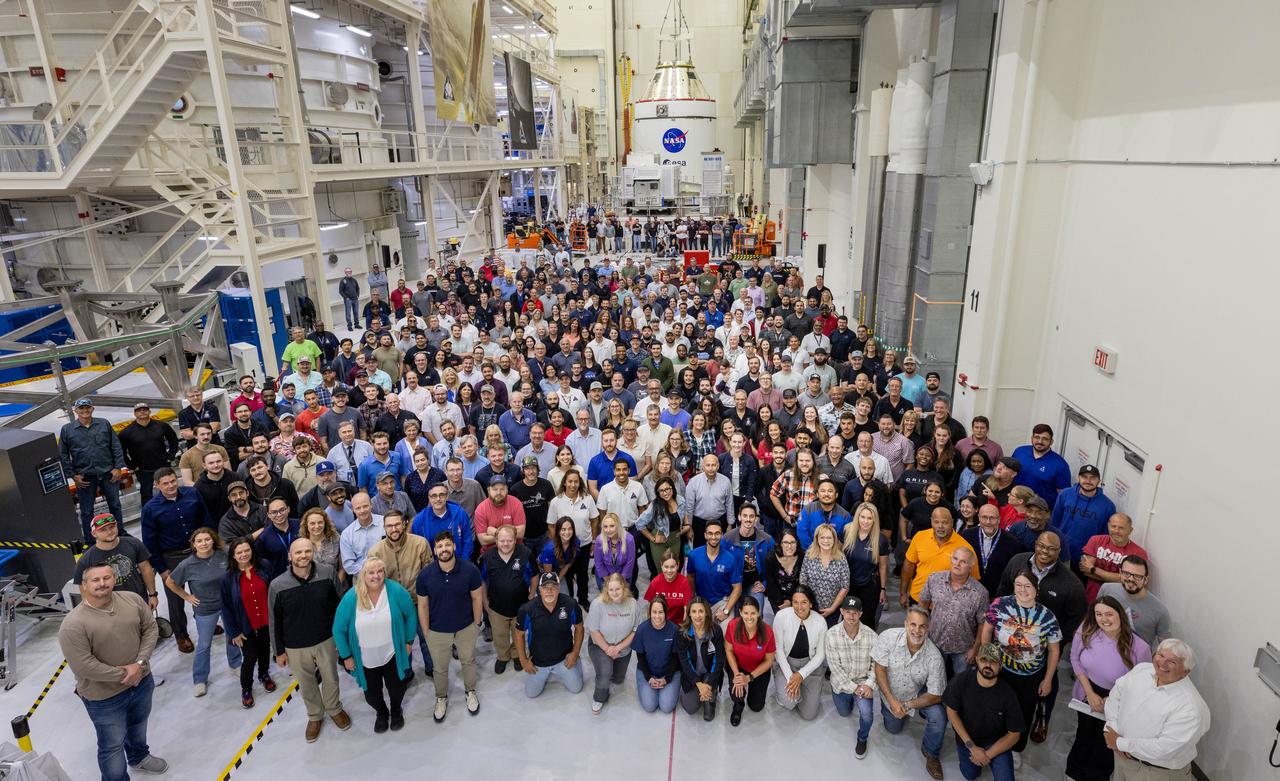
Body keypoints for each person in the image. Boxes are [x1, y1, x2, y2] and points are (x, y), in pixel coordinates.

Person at [58, 562, 167, 780]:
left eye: (106, 578)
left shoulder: (132, 599)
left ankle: (138, 757)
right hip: (104, 696)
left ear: (114, 579)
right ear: (84, 585)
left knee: (138, 724)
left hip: (142, 681)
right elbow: (83, 664)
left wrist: (140, 664)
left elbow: (150, 628)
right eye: (95, 580)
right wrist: (126, 675)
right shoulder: (74, 623)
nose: (102, 583)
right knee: (112, 744)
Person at [268, 538, 350, 742]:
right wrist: (278, 651)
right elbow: (273, 620)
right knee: (306, 683)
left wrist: (344, 638)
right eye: (298, 553)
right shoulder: (277, 585)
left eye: (307, 551)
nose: (303, 556)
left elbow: (340, 605)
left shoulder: (327, 573)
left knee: (331, 678)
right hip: (295, 646)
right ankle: (315, 715)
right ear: (290, 556)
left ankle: (334, 708)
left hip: (326, 639)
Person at [1067, 596, 1153, 781]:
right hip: (1087, 692)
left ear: (1120, 615)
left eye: (1109, 614)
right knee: (1084, 734)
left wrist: (1111, 700)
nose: (1103, 619)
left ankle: (1097, 776)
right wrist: (1090, 693)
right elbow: (1075, 659)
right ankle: (1074, 773)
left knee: (1105, 742)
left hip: (1118, 700)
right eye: (1098, 614)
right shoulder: (1086, 630)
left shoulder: (1140, 647)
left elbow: (1143, 684)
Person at [981, 568, 1062, 765]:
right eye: (1018, 585)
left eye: (1027, 586)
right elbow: (987, 631)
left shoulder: (1047, 616)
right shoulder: (1000, 604)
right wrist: (986, 660)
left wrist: (1048, 678)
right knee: (996, 707)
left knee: (1023, 713)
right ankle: (994, 742)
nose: (1022, 590)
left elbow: (1053, 651)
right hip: (1002, 670)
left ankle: (1016, 748)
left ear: (1037, 589)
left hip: (1030, 676)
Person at [332, 557, 418, 733]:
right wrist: (346, 655)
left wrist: (409, 641)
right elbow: (338, 629)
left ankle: (396, 710)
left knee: (397, 688)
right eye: (371, 572)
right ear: (364, 575)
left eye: (380, 571)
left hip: (392, 653)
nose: (376, 576)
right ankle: (381, 712)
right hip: (364, 658)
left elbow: (410, 614)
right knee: (371, 694)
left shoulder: (395, 590)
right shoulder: (352, 597)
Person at [1103, 639, 1211, 779]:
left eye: (1172, 662)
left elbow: (1165, 748)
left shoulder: (1191, 708)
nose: (1162, 663)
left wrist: (1120, 743)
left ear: (1186, 672)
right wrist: (1112, 729)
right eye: (1160, 655)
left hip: (1156, 772)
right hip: (1123, 757)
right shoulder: (1142, 670)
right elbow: (1115, 696)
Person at [872, 607, 949, 780]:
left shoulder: (934, 656)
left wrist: (908, 705)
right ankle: (895, 712)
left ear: (928, 629)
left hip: (916, 692)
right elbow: (879, 668)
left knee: (939, 716)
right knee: (893, 729)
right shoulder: (888, 637)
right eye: (913, 624)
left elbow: (936, 694)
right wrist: (892, 701)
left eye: (922, 626)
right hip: (891, 693)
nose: (917, 630)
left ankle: (931, 753)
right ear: (906, 624)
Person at [141, 468, 210, 653]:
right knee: (175, 599)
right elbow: (149, 542)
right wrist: (162, 569)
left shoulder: (192, 494)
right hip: (171, 557)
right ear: (157, 485)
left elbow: (205, 521)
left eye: (173, 481)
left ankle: (206, 624)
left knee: (202, 591)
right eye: (165, 483)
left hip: (197, 553)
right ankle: (181, 636)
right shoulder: (150, 508)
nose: (171, 486)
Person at [415, 532, 484, 721]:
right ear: (435, 551)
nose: (444, 549)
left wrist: (477, 623)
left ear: (454, 546)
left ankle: (470, 691)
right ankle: (441, 697)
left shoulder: (470, 570)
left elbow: (477, 597)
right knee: (439, 668)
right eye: (440, 546)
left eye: (447, 545)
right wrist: (426, 631)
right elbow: (422, 605)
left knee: (468, 661)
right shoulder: (425, 575)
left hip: (465, 627)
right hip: (437, 631)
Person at [164, 528, 239, 698]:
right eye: (199, 541)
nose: (203, 543)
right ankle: (200, 679)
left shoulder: (224, 554)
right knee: (204, 645)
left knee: (232, 637)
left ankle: (235, 665)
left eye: (207, 539)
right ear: (194, 544)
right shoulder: (187, 564)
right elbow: (170, 582)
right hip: (205, 609)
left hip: (227, 606)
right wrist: (186, 596)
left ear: (213, 540)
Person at [943, 643, 1024, 781]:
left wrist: (987, 755)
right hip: (968, 739)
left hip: (996, 741)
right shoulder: (960, 682)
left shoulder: (1008, 694)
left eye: (993, 662)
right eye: (983, 660)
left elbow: (1014, 735)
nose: (988, 665)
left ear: (1001, 666)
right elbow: (951, 712)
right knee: (970, 774)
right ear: (976, 660)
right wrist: (972, 747)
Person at [368, 510, 433, 675]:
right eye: (389, 526)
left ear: (404, 524)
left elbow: (430, 574)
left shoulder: (420, 544)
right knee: (402, 642)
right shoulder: (375, 552)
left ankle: (432, 668)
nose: (394, 529)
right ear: (384, 528)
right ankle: (406, 672)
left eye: (397, 524)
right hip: (394, 606)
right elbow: (373, 582)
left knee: (426, 638)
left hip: (420, 602)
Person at [60, 397, 126, 542]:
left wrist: (118, 467)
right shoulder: (67, 430)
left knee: (115, 505)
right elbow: (63, 455)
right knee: (86, 511)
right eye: (81, 408)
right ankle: (90, 541)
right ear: (75, 410)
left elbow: (116, 446)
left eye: (87, 407)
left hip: (108, 473)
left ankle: (120, 532)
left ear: (92, 409)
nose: (85, 410)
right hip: (85, 477)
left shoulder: (104, 424)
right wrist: (72, 475)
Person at [221, 537, 276, 709]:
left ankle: (264, 674)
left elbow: (274, 590)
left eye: (247, 550)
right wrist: (234, 632)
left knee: (265, 649)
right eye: (239, 552)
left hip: (266, 621)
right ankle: (246, 687)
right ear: (233, 555)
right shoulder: (228, 578)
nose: (244, 554)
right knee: (250, 656)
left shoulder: (264, 566)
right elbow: (226, 607)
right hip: (245, 626)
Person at [918, 547, 989, 676]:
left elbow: (982, 624)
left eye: (963, 561)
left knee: (961, 683)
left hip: (963, 647)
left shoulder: (980, 593)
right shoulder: (934, 579)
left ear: (970, 567)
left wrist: (976, 648)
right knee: (931, 678)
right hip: (935, 641)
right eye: (955, 559)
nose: (957, 564)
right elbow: (922, 604)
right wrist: (921, 632)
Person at [515, 571, 586, 698]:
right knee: (531, 694)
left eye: (553, 587)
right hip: (539, 662)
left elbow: (579, 628)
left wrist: (575, 653)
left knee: (576, 688)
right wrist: (523, 660)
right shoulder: (526, 609)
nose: (549, 591)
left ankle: (576, 663)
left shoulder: (570, 604)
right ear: (539, 589)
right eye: (545, 587)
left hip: (563, 659)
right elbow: (519, 634)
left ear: (559, 588)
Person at [826, 595, 879, 758]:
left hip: (863, 684)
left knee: (867, 715)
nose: (851, 616)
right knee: (844, 712)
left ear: (861, 614)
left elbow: (876, 665)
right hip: (842, 684)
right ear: (841, 611)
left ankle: (862, 738)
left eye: (855, 612)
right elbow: (835, 668)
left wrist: (869, 685)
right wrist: (855, 689)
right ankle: (850, 700)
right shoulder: (831, 635)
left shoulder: (872, 636)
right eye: (848, 612)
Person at [586, 573, 644, 713]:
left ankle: (604, 670)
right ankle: (599, 697)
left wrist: (618, 647)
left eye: (617, 589)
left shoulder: (633, 604)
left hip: (623, 648)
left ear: (624, 587)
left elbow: (635, 630)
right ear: (606, 589)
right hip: (600, 645)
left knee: (618, 680)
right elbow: (594, 631)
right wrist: (608, 650)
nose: (614, 593)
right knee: (605, 673)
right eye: (611, 590)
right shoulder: (597, 604)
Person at [480, 525, 534, 675]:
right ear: (496, 541)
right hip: (496, 608)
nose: (505, 544)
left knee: (519, 634)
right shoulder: (487, 557)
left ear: (515, 541)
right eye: (502, 540)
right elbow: (483, 581)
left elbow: (534, 575)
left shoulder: (525, 553)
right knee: (499, 636)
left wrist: (532, 594)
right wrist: (485, 602)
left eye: (509, 540)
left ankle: (517, 654)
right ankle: (503, 657)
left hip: (520, 606)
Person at [74, 513, 158, 608]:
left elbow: (146, 569)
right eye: (103, 530)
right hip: (110, 610)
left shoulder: (134, 544)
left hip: (139, 603)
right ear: (94, 534)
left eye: (112, 527)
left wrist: (152, 595)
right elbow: (84, 589)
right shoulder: (86, 560)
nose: (109, 531)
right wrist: (93, 610)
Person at [900, 506, 977, 607]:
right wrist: (903, 593)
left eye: (945, 522)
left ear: (952, 522)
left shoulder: (965, 548)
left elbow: (973, 581)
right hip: (918, 598)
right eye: (936, 522)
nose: (940, 526)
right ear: (931, 521)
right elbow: (908, 565)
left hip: (948, 605)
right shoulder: (920, 537)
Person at [771, 584, 828, 720]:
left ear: (811, 604)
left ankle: (804, 691)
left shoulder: (820, 621)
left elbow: (820, 655)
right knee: (790, 702)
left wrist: (801, 675)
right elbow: (778, 650)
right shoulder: (781, 616)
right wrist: (792, 678)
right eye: (795, 602)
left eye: (804, 602)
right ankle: (786, 692)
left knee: (809, 715)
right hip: (786, 663)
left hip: (810, 667)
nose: (799, 607)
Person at [722, 595, 776, 726]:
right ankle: (738, 705)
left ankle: (752, 690)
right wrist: (737, 674)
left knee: (756, 706)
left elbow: (769, 661)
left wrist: (749, 678)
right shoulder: (733, 625)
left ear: (758, 613)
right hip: (738, 666)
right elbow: (728, 650)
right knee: (737, 693)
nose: (749, 617)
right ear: (740, 612)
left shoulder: (767, 632)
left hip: (758, 670)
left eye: (753, 613)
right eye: (746, 613)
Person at [1052, 464, 1117, 568]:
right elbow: (1054, 523)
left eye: (1092, 478)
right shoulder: (1065, 494)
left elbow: (1105, 538)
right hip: (1060, 551)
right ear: (1079, 478)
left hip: (1086, 559)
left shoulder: (1108, 506)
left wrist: (1094, 559)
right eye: (1084, 477)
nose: (1088, 481)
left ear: (1099, 481)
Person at [1099, 555, 1171, 648]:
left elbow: (1166, 646)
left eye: (1137, 576)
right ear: (1120, 572)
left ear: (1146, 580)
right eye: (1126, 573)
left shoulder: (1160, 611)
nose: (1131, 579)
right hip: (1104, 649)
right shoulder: (1106, 589)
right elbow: (1093, 620)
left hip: (1137, 659)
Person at [117, 402, 180, 504]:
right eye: (139, 410)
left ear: (149, 411)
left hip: (163, 467)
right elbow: (120, 451)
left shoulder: (161, 425)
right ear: (134, 414)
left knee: (170, 490)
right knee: (147, 495)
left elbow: (173, 439)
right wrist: (132, 465)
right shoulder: (126, 432)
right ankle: (150, 517)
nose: (142, 412)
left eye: (144, 409)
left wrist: (171, 456)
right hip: (143, 470)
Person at [676, 597, 726, 721]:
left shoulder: (715, 631)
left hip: (710, 674)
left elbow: (719, 659)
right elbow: (684, 662)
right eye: (694, 612)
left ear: (706, 613)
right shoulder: (682, 633)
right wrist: (698, 684)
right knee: (691, 708)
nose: (697, 616)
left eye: (701, 611)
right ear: (689, 614)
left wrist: (708, 684)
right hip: (692, 675)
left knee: (708, 716)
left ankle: (710, 693)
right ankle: (698, 691)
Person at [1080, 512, 1150, 601]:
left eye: (1121, 528)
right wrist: (1119, 578)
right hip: (1092, 597)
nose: (1116, 531)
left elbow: (1133, 582)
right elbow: (1085, 571)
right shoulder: (1095, 540)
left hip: (1119, 602)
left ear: (1130, 530)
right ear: (1108, 526)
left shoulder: (1139, 553)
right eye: (1113, 526)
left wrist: (1094, 570)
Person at [685, 519, 742, 627]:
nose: (714, 537)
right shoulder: (694, 555)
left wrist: (726, 610)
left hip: (722, 602)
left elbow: (738, 588)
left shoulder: (730, 558)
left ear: (721, 535)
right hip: (701, 602)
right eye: (710, 533)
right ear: (705, 535)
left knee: (728, 630)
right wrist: (693, 597)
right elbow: (690, 576)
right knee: (693, 633)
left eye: (717, 533)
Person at [843, 502, 888, 630]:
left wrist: (883, 590)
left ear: (874, 520)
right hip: (849, 586)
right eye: (862, 517)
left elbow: (883, 567)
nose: (865, 521)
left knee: (867, 621)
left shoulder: (880, 540)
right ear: (857, 517)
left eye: (869, 518)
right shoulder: (847, 531)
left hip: (870, 587)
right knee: (849, 618)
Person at [633, 595, 682, 714]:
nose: (657, 616)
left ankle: (669, 686)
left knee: (666, 707)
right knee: (650, 706)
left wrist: (667, 678)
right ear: (650, 612)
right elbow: (640, 655)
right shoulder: (642, 629)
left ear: (666, 612)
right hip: (648, 671)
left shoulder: (674, 630)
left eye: (660, 612)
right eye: (654, 612)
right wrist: (648, 677)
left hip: (669, 673)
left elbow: (676, 657)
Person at [963, 502, 1024, 597]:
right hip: (968, 591)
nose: (988, 522)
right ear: (979, 518)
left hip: (996, 595)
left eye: (992, 518)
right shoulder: (966, 536)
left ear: (999, 519)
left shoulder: (1012, 543)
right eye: (984, 517)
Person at [799, 523, 850, 627]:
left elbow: (845, 586)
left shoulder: (841, 559)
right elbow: (803, 581)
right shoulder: (809, 555)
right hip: (811, 608)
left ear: (834, 539)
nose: (826, 541)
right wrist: (807, 604)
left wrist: (833, 608)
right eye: (822, 537)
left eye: (829, 538)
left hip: (832, 609)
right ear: (817, 539)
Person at [1011, 424, 1071, 509]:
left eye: (1045, 439)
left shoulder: (1060, 465)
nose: (1040, 441)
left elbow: (1063, 496)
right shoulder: (1020, 452)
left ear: (1051, 442)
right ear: (1032, 438)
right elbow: (1010, 474)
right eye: (1037, 437)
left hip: (1039, 512)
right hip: (1015, 506)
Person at [684, 453, 734, 548]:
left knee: (721, 549)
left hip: (720, 521)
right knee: (700, 550)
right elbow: (689, 507)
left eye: (713, 465)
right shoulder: (693, 482)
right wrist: (689, 527)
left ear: (718, 466)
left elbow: (729, 504)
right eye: (708, 465)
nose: (711, 468)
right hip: (699, 524)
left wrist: (730, 525)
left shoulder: (725, 481)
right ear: (703, 466)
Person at [339, 491, 385, 577]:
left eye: (365, 506)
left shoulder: (384, 523)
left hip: (387, 573)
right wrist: (370, 574)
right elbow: (349, 565)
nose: (362, 511)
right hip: (361, 578)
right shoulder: (347, 534)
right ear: (352, 509)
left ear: (371, 505)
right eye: (358, 508)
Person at [763, 528, 804, 615]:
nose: (789, 546)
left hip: (796, 596)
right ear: (780, 543)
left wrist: (790, 600)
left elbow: (802, 581)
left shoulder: (802, 556)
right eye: (786, 542)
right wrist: (781, 602)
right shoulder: (771, 558)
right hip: (777, 597)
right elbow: (771, 583)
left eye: (793, 542)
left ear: (797, 543)